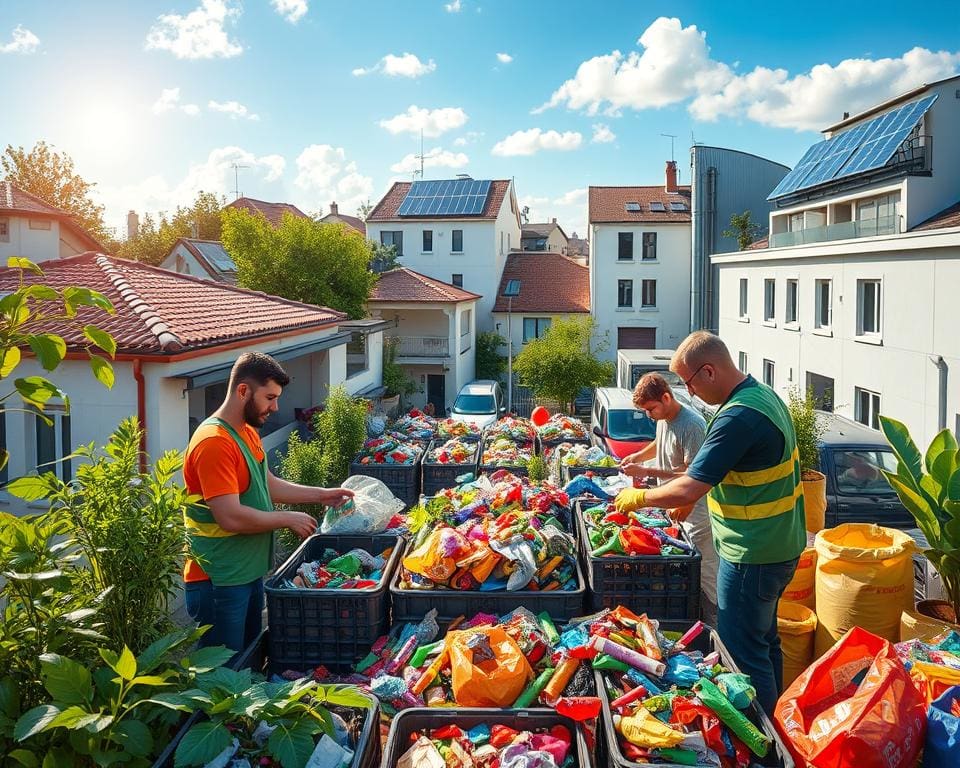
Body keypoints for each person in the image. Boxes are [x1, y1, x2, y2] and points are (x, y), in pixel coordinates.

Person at [614, 331, 805, 715]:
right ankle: (781, 727)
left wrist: (636, 497)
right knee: (765, 644)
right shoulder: (762, 396)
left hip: (751, 552)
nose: (690, 392)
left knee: (742, 658)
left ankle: (763, 744)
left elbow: (688, 487)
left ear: (709, 371)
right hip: (781, 544)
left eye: (689, 382)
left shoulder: (737, 417)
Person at [183, 351, 354, 654]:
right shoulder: (215, 442)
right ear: (243, 391)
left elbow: (267, 484)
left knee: (246, 663)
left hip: (245, 574)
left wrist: (321, 494)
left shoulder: (246, 432)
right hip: (218, 580)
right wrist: (288, 518)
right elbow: (230, 517)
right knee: (222, 677)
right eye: (269, 398)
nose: (275, 407)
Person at [618, 372, 718, 624]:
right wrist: (638, 457)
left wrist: (646, 471)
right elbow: (659, 441)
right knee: (682, 573)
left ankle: (715, 626)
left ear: (666, 397)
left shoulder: (692, 425)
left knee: (704, 574)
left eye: (651, 409)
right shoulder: (664, 418)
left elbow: (694, 474)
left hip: (695, 512)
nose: (650, 416)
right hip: (673, 508)